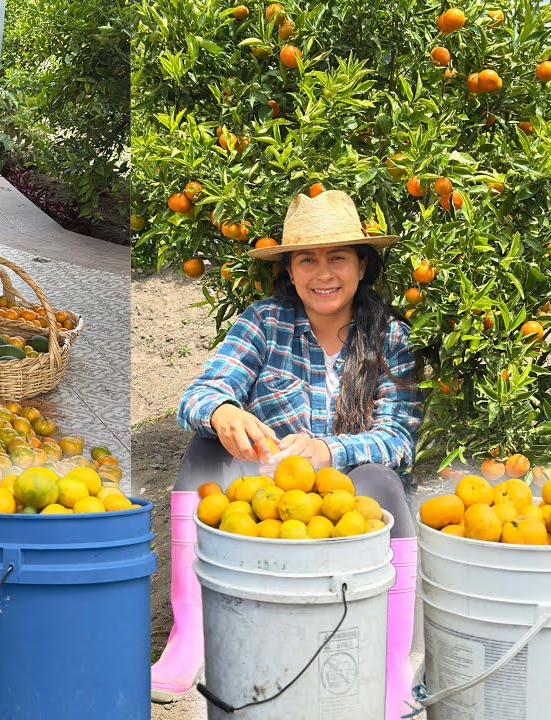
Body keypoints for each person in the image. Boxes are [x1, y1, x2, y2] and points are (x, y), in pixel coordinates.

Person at [153, 190, 424, 718]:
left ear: (362, 265)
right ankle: (191, 637)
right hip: (264, 497)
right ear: (291, 271)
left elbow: (399, 436)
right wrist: (223, 413)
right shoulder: (264, 322)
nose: (323, 274)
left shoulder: (390, 335)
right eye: (307, 260)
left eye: (338, 257)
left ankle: (392, 665)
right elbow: (199, 395)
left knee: (385, 481)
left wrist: (330, 449)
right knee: (203, 452)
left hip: (345, 501)